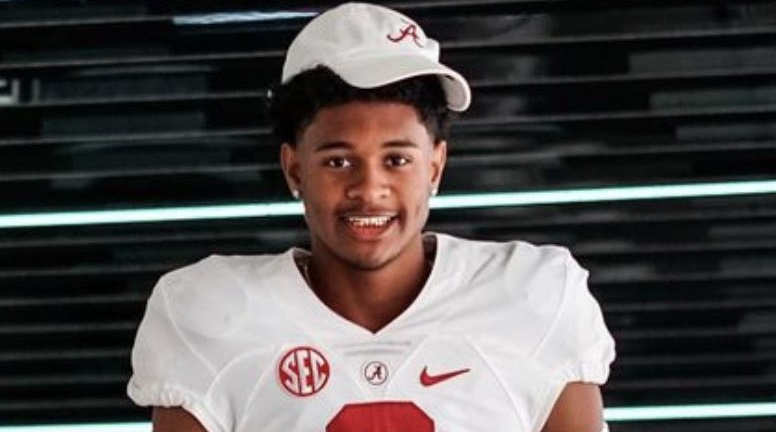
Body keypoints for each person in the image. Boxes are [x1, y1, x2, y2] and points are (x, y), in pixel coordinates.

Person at [127, 2, 615, 432]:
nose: (369, 189)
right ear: (294, 168)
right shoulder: (211, 310)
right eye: (338, 160)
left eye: (397, 159)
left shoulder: (535, 296)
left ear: (435, 166)